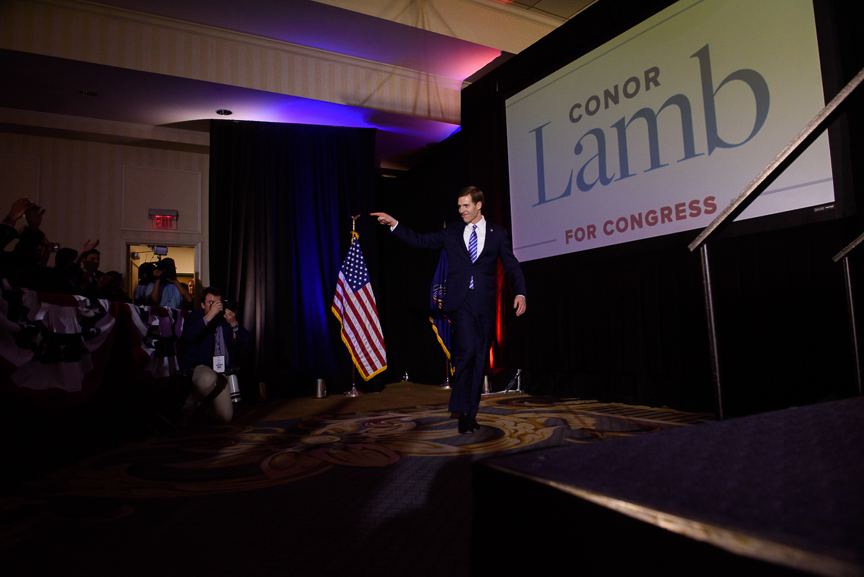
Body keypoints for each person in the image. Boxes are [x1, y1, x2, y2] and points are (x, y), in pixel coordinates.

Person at [372, 186, 526, 434]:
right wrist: (394, 224)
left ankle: (469, 411)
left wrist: (520, 292)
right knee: (466, 352)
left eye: (466, 205)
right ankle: (462, 411)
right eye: (459, 206)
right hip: (460, 303)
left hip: (485, 304)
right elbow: (421, 241)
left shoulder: (498, 234)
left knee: (479, 359)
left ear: (478, 205)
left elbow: (511, 265)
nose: (461, 210)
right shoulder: (452, 231)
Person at [179, 286, 250, 423]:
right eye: (211, 303)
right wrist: (210, 315)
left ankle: (200, 412)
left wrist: (234, 324)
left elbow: (247, 341)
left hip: (222, 372)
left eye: (218, 303)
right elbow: (188, 336)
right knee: (209, 377)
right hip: (201, 368)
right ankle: (186, 410)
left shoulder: (226, 319)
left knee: (224, 417)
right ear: (202, 305)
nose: (216, 307)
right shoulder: (196, 317)